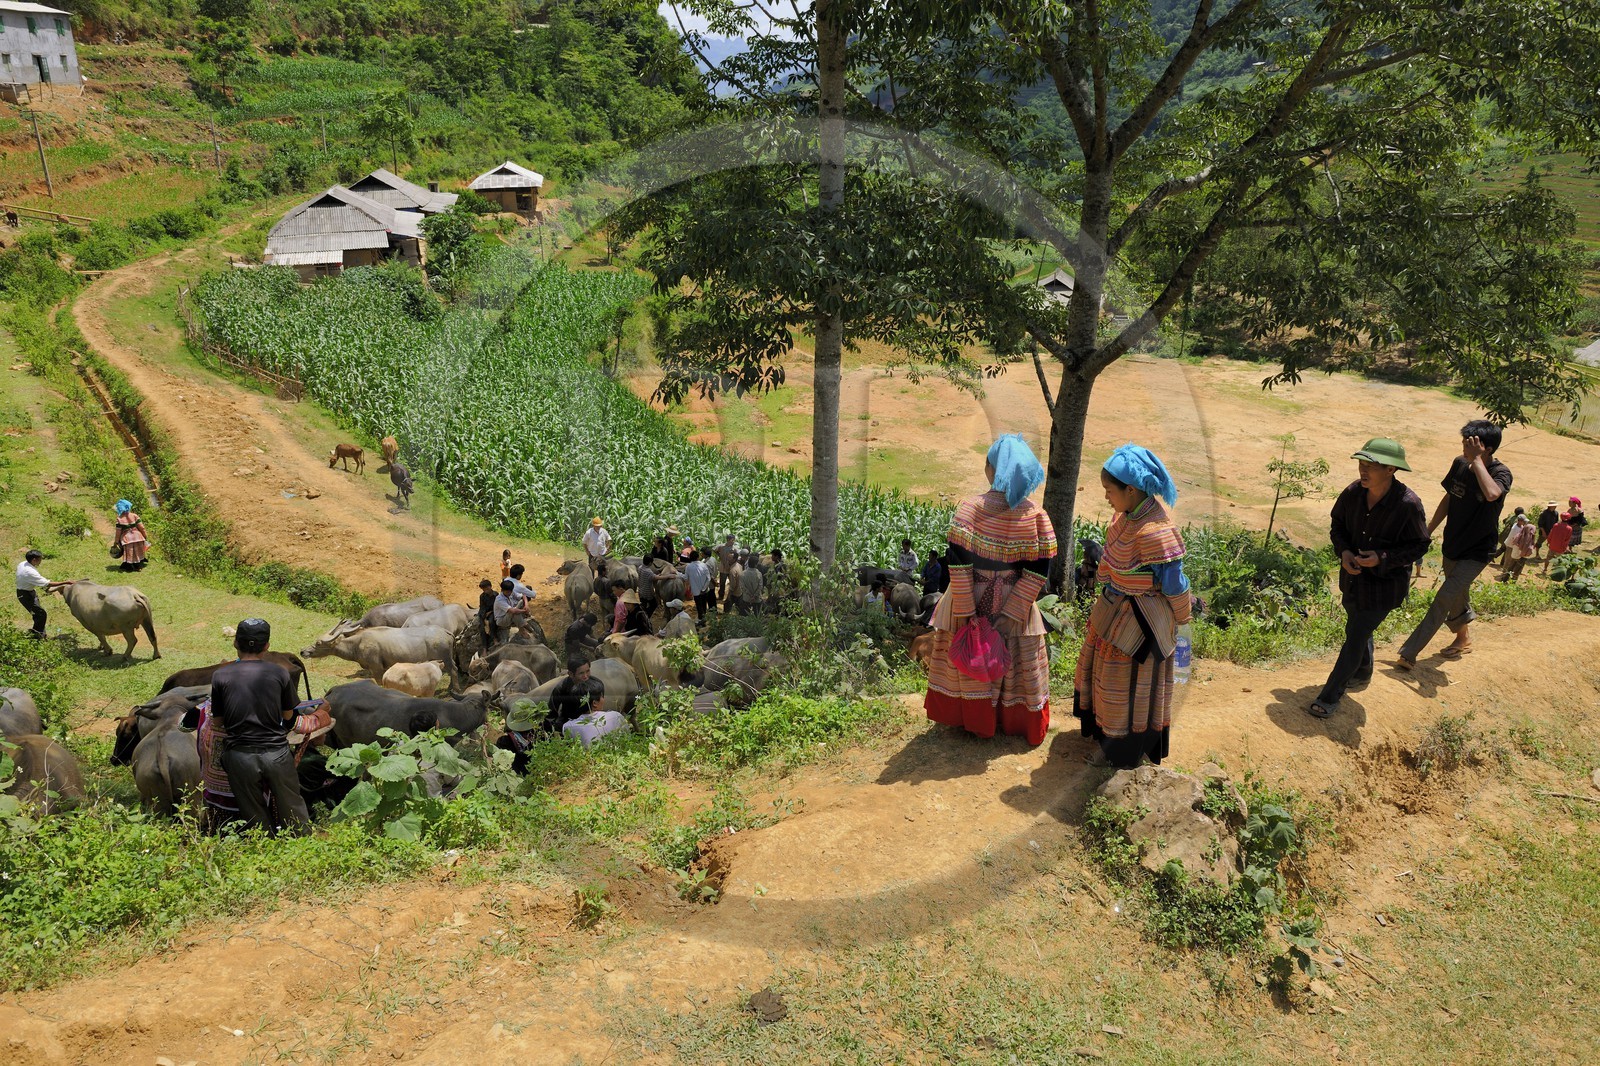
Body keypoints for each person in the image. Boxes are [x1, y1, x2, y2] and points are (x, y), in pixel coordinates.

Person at [925, 434, 1057, 746]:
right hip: (1015, 598)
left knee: (970, 654)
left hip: (967, 596)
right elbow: (1039, 570)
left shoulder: (969, 510)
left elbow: (955, 564)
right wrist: (1015, 612)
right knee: (1016, 661)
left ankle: (972, 717)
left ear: (993, 469)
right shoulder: (1036, 517)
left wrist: (967, 612)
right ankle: (1013, 720)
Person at [1073, 444, 1191, 766]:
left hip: (1144, 623)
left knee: (1128, 681)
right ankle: (1107, 735)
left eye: (1110, 491)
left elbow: (1174, 584)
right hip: (1116, 610)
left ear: (1131, 489)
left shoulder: (1157, 532)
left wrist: (1183, 617)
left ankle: (1127, 747)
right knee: (1110, 678)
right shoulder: (1124, 517)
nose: (1107, 497)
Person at [1308, 439, 1430, 718]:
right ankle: (1362, 672)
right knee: (1357, 627)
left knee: (1355, 634)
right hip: (1353, 580)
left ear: (1390, 470)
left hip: (1384, 587)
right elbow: (1337, 525)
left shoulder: (1407, 504)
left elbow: (1420, 545)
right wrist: (1345, 552)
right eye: (1361, 464)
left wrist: (1382, 557)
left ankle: (1329, 697)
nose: (1363, 471)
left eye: (1371, 466)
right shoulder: (1352, 493)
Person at [1397, 420, 1511, 669]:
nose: (1464, 448)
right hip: (1453, 544)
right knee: (1458, 594)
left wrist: (1477, 461)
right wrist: (1426, 532)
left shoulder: (1500, 473)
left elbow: (1492, 494)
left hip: (1479, 550)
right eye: (1464, 442)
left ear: (1487, 449)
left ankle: (1409, 652)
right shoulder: (1460, 464)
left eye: (1470, 444)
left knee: (1445, 596)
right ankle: (1463, 638)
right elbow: (1449, 498)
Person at [208, 619, 310, 834]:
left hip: (239, 757)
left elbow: (217, 721)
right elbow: (288, 716)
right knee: (292, 806)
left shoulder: (220, 676)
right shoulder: (280, 673)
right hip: (277, 755)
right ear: (267, 646)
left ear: (235, 643)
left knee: (252, 811)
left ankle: (263, 845)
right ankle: (302, 842)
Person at [15, 549, 72, 640]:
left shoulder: (23, 564)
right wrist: (66, 582)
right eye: (40, 559)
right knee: (41, 614)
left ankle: (39, 633)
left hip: (29, 592)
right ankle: (36, 636)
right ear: (34, 560)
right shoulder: (30, 572)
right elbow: (47, 583)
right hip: (25, 595)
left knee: (38, 614)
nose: (41, 561)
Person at [549, 657, 603, 731]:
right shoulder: (561, 689)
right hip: (568, 724)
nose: (586, 676)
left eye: (588, 671)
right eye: (581, 673)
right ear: (571, 674)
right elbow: (551, 714)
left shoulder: (596, 685)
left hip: (592, 723)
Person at [112, 499, 149, 571]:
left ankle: (129, 566)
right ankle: (139, 566)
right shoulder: (135, 516)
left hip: (127, 539)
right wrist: (145, 536)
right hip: (138, 537)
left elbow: (118, 532)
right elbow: (142, 528)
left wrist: (116, 542)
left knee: (130, 553)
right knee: (138, 551)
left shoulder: (119, 519)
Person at [1501, 512, 1538, 582]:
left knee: (1511, 567)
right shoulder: (1525, 538)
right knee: (1513, 567)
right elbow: (1527, 549)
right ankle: (1508, 578)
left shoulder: (1520, 534)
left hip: (1515, 554)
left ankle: (1505, 578)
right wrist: (1523, 554)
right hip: (1517, 554)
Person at [492, 578, 529, 644]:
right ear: (502, 590)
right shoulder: (499, 600)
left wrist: (526, 605)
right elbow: (512, 611)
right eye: (507, 592)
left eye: (510, 591)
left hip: (509, 616)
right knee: (514, 612)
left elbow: (523, 595)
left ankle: (522, 620)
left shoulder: (511, 592)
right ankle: (522, 629)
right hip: (502, 620)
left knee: (520, 602)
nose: (509, 593)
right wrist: (524, 611)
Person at [685, 550, 713, 625]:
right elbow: (708, 578)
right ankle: (703, 618)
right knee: (704, 604)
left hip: (696, 591)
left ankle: (702, 620)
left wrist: (677, 574)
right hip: (704, 590)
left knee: (699, 605)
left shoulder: (688, 566)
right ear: (698, 557)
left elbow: (685, 578)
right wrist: (704, 588)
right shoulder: (704, 565)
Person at [714, 535, 739, 601]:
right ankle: (721, 596)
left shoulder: (734, 548)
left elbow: (737, 556)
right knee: (722, 583)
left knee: (732, 583)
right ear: (728, 540)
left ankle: (731, 597)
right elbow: (714, 549)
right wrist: (719, 555)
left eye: (734, 540)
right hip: (723, 567)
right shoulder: (721, 546)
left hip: (731, 568)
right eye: (732, 540)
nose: (733, 541)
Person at [476, 578, 498, 650]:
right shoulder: (482, 596)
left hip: (493, 612)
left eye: (486, 588)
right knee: (482, 628)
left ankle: (494, 639)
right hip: (484, 613)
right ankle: (484, 648)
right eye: (483, 589)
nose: (485, 590)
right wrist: (484, 615)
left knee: (491, 622)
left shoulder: (496, 595)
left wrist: (491, 612)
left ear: (490, 586)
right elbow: (482, 607)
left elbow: (498, 606)